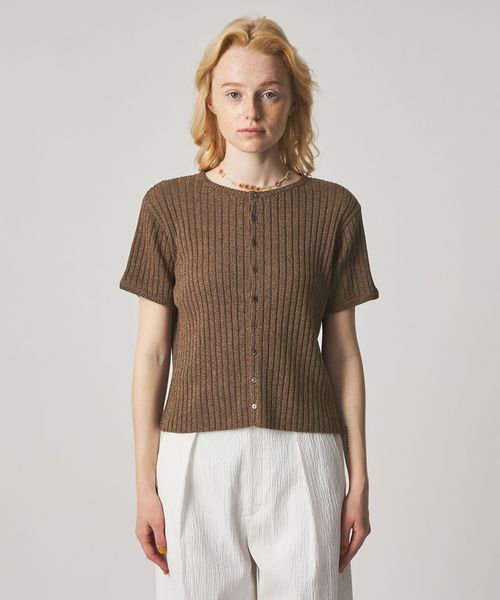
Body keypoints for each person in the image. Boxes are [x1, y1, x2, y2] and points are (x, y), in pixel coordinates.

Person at [119, 15, 380, 600]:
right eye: (234, 94)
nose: (252, 112)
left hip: (306, 455)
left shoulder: (334, 209)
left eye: (269, 94)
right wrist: (145, 484)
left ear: (293, 103)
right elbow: (152, 352)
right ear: (211, 101)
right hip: (194, 456)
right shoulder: (168, 207)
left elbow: (343, 353)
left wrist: (359, 478)